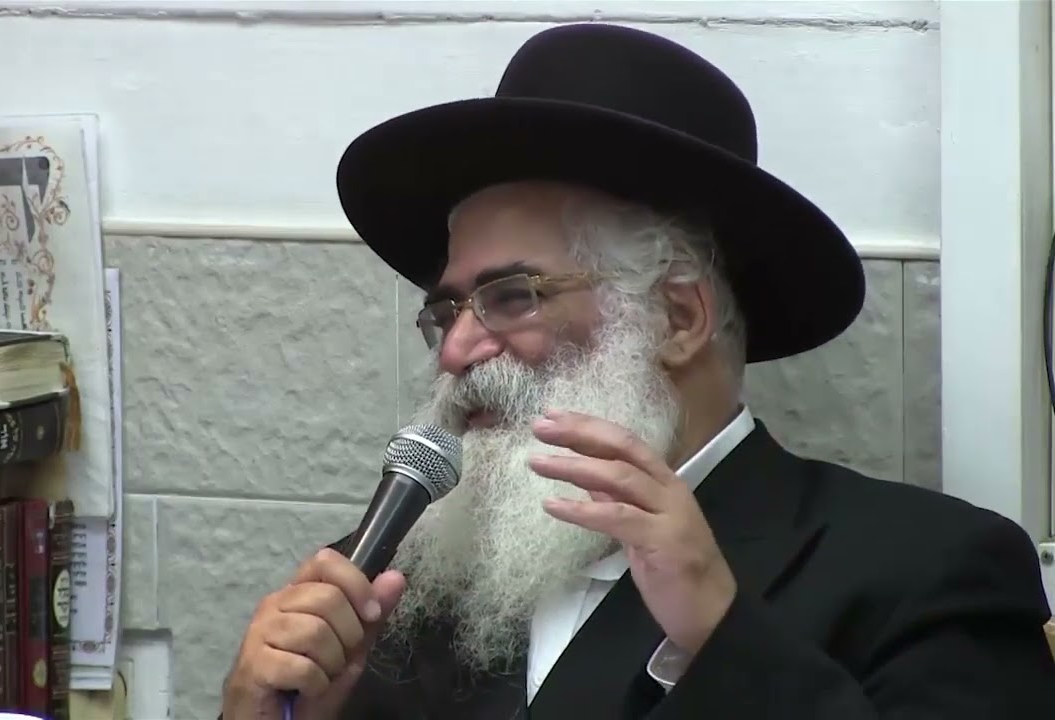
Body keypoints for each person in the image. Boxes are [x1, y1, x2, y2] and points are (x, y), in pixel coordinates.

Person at [219, 23, 1055, 720]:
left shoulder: (925, 569)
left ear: (679, 318)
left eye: (512, 296)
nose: (455, 350)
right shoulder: (389, 586)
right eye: (446, 310)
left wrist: (722, 634)